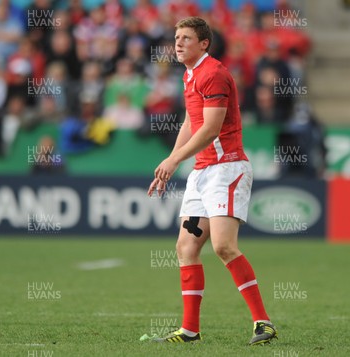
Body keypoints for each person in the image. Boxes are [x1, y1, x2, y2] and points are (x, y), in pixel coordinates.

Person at [146, 17, 277, 345]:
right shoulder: (190, 76)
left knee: (222, 246)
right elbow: (192, 121)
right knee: (186, 247)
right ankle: (190, 330)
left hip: (227, 169)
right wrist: (172, 164)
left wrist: (174, 158)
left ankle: (263, 323)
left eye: (186, 38)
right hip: (202, 172)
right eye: (176, 37)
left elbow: (211, 129)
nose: (178, 43)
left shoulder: (214, 73)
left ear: (204, 43)